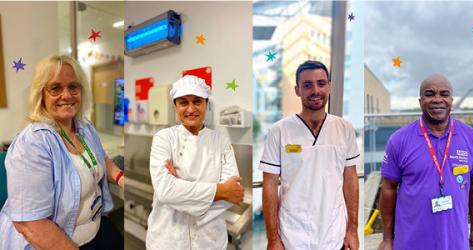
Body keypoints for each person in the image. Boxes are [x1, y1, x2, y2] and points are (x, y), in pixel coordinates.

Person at [0, 55, 124, 249]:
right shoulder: (33, 143)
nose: (66, 95)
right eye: (55, 88)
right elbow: (31, 225)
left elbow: (101, 159)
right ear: (41, 94)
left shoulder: (84, 127)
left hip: (96, 225)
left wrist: (120, 178)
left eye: (73, 87)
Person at [378, 74, 473, 250]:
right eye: (430, 94)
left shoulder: (472, 137)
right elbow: (388, 188)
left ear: (451, 100)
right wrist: (387, 238)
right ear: (420, 101)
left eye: (444, 94)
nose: (437, 99)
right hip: (411, 243)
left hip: (456, 243)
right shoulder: (399, 140)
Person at [260, 60, 360, 250]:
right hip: (292, 238)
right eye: (307, 85)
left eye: (321, 83)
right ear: (297, 90)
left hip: (334, 236)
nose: (315, 91)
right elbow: (270, 185)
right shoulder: (279, 131)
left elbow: (350, 179)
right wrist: (272, 239)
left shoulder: (344, 129)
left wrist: (352, 229)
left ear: (329, 87)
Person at [146, 75, 245, 250]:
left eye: (197, 101)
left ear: (207, 104)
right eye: (183, 103)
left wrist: (180, 187)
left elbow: (234, 194)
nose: (191, 109)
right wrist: (220, 190)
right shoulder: (164, 138)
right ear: (175, 107)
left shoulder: (221, 141)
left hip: (210, 241)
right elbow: (165, 191)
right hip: (168, 240)